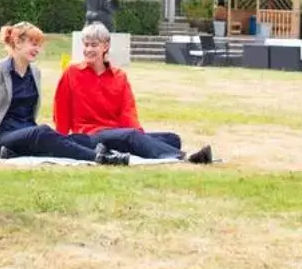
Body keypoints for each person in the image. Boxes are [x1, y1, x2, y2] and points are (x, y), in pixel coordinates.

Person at [54, 22, 214, 163]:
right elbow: (61, 108)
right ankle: (184, 158)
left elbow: (127, 111)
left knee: (172, 138)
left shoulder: (119, 76)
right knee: (131, 136)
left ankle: (135, 146)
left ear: (106, 46)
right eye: (86, 45)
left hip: (117, 132)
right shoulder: (72, 73)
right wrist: (62, 141)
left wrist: (139, 135)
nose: (88, 49)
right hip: (89, 135)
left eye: (94, 45)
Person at [0, 23, 119, 163]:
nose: (37, 49)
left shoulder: (35, 72)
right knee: (43, 132)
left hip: (27, 130)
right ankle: (98, 158)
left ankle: (109, 153)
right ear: (17, 43)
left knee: (78, 138)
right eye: (33, 44)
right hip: (2, 137)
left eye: (39, 46)